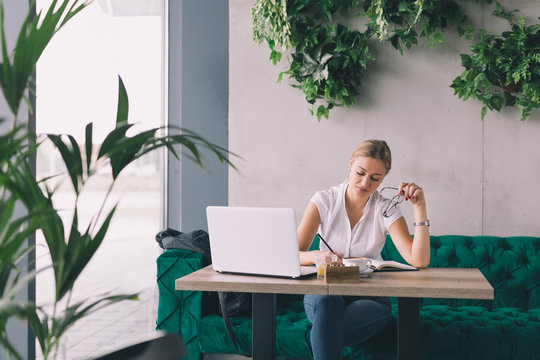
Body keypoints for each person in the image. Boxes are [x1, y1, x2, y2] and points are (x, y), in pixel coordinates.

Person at [297, 139, 430, 360]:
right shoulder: (324, 201)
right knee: (328, 304)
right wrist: (316, 255)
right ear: (350, 164)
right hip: (325, 289)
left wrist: (420, 207)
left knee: (326, 329)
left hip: (371, 295)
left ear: (383, 179)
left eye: (375, 178)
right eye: (360, 172)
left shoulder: (385, 208)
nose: (365, 183)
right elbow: (293, 254)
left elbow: (419, 260)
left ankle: (321, 336)